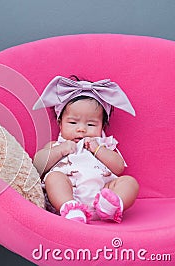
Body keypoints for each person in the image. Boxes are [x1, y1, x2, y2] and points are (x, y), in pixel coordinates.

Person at [32, 75, 139, 223]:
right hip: (69, 194)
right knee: (54, 178)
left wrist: (98, 149)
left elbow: (119, 168)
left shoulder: (104, 145)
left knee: (129, 182)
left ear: (103, 126)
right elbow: (37, 166)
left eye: (91, 124)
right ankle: (71, 207)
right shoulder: (55, 146)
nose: (81, 129)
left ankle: (110, 206)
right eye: (73, 122)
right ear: (60, 123)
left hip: (101, 194)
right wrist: (61, 150)